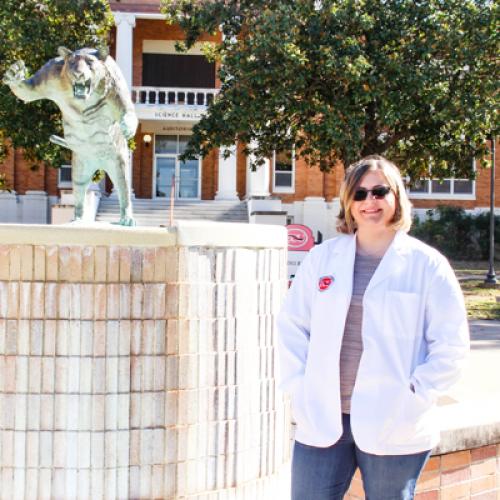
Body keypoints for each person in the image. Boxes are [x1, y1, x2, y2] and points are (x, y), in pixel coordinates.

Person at [277, 155, 469, 499]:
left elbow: (451, 344)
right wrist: (300, 387)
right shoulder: (323, 259)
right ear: (348, 202)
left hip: (395, 419)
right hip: (324, 415)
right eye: (360, 193)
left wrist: (414, 395)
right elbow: (292, 327)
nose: (370, 201)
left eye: (380, 191)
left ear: (397, 197)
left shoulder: (426, 265)